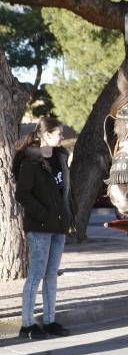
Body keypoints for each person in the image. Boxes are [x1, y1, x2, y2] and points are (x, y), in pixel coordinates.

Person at [12, 117, 74, 339]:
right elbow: (22, 194)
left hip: (59, 225)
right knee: (36, 274)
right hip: (39, 227)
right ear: (45, 135)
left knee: (51, 275)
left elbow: (65, 191)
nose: (62, 137)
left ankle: (49, 321)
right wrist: (43, 213)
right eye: (59, 133)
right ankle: (27, 325)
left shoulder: (61, 156)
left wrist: (69, 216)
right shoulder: (31, 161)